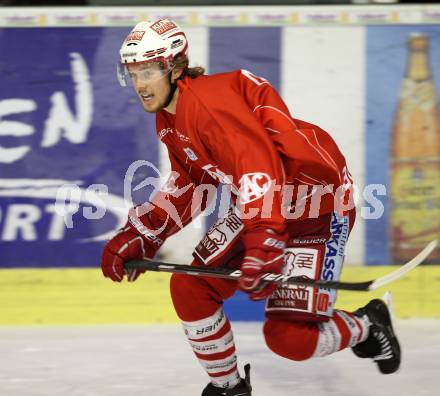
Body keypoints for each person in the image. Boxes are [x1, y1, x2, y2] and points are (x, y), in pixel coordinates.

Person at [101, 19, 401, 396]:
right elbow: (192, 183)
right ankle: (229, 388)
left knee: (289, 339)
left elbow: (257, 163)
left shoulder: (209, 104)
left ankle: (369, 325)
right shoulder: (170, 117)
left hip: (317, 207)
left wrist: (266, 237)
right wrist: (142, 231)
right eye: (133, 73)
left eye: (148, 71)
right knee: (190, 287)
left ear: (175, 67)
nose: (140, 84)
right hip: (266, 205)